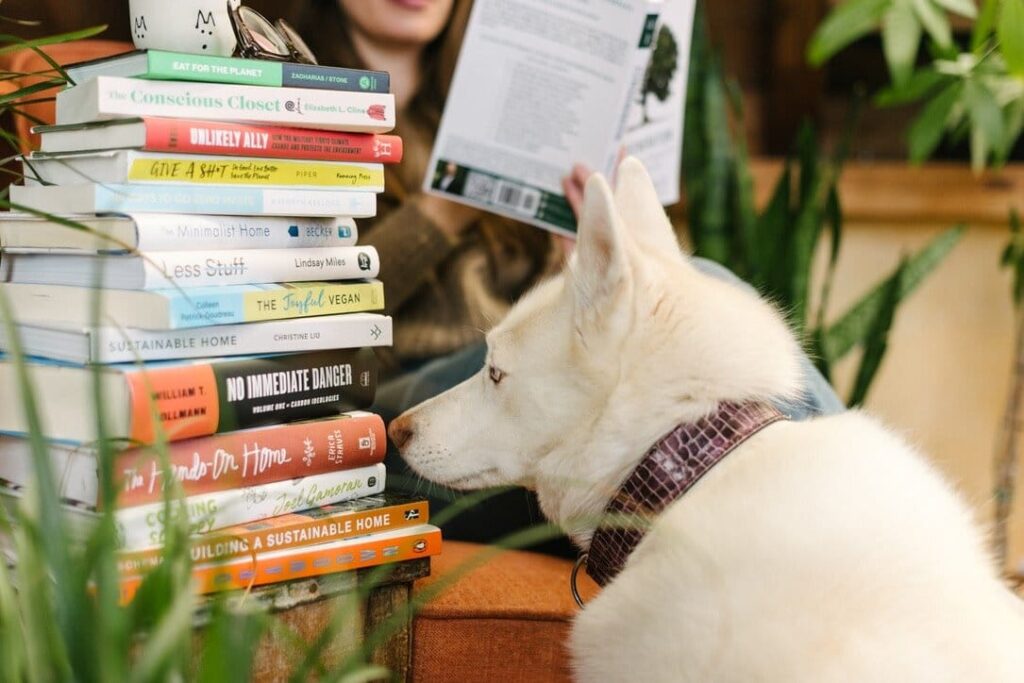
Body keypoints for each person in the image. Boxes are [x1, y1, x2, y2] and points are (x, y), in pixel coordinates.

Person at [297, 0, 844, 554]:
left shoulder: (513, 98)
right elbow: (302, 317)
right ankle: (851, 500)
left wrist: (580, 264)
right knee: (705, 281)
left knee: (698, 284)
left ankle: (821, 525)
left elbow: (568, 349)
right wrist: (444, 208)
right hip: (403, 403)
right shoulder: (297, 112)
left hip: (530, 395)